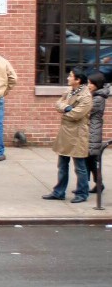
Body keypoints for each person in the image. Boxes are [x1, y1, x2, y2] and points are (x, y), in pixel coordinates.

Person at [42, 68, 92, 204]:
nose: (68, 78)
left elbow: (77, 114)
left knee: (79, 166)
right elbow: (58, 104)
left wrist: (65, 110)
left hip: (78, 134)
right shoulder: (70, 91)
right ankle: (59, 192)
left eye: (70, 76)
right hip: (65, 132)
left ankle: (82, 193)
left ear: (78, 80)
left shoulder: (86, 96)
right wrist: (66, 108)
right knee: (62, 164)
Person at [86, 72, 107, 194]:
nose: (88, 85)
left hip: (93, 131)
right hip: (92, 130)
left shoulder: (98, 99)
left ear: (96, 84)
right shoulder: (95, 96)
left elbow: (86, 110)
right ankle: (98, 184)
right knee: (90, 160)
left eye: (90, 83)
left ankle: (97, 184)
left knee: (91, 160)